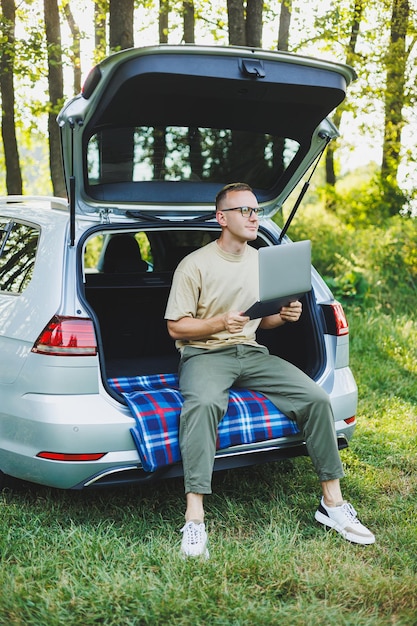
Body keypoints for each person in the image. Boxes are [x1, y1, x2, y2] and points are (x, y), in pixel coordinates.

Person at [164, 182, 375, 558]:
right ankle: (194, 518)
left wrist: (284, 316)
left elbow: (261, 322)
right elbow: (176, 327)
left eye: (255, 210)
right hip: (205, 355)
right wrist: (217, 324)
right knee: (203, 405)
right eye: (243, 210)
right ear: (221, 218)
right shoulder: (194, 265)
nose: (253, 216)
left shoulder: (263, 260)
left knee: (314, 397)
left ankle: (333, 503)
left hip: (251, 351)